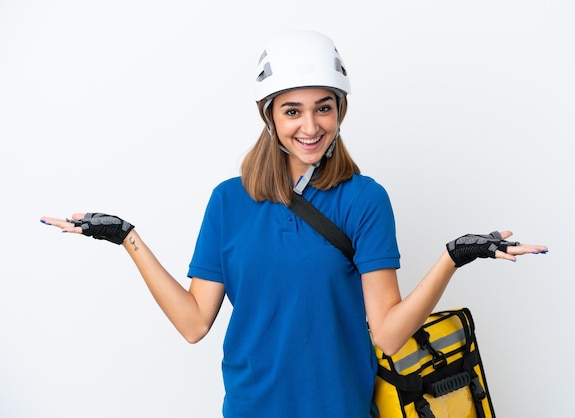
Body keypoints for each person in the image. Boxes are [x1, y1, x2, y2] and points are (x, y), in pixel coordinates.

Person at [40, 30, 548, 418]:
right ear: (269, 116)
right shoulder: (227, 202)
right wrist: (129, 238)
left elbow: (389, 334)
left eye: (324, 108)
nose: (311, 126)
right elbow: (195, 323)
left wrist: (451, 258)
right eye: (293, 111)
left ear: (340, 110)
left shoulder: (365, 200)